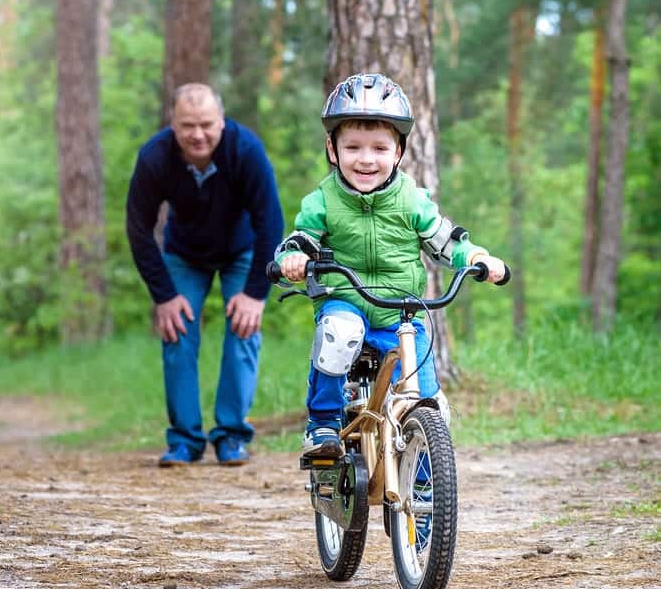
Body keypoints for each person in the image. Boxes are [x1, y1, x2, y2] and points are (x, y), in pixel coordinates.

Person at [274, 73, 507, 458]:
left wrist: (478, 258)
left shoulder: (412, 200)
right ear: (333, 150)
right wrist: (293, 259)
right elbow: (300, 240)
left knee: (429, 404)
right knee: (338, 332)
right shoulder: (323, 201)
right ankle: (323, 425)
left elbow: (444, 241)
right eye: (353, 148)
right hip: (343, 299)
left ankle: (425, 481)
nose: (366, 159)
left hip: (401, 310)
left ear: (398, 152)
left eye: (379, 149)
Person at [126, 83, 285, 467]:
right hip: (185, 254)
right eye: (187, 125)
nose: (198, 134)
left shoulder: (245, 150)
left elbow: (271, 222)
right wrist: (163, 295)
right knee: (176, 330)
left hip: (243, 250)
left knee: (243, 330)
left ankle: (231, 436)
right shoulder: (154, 157)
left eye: (206, 125)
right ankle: (184, 440)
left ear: (222, 121)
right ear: (173, 125)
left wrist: (255, 294)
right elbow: (137, 228)